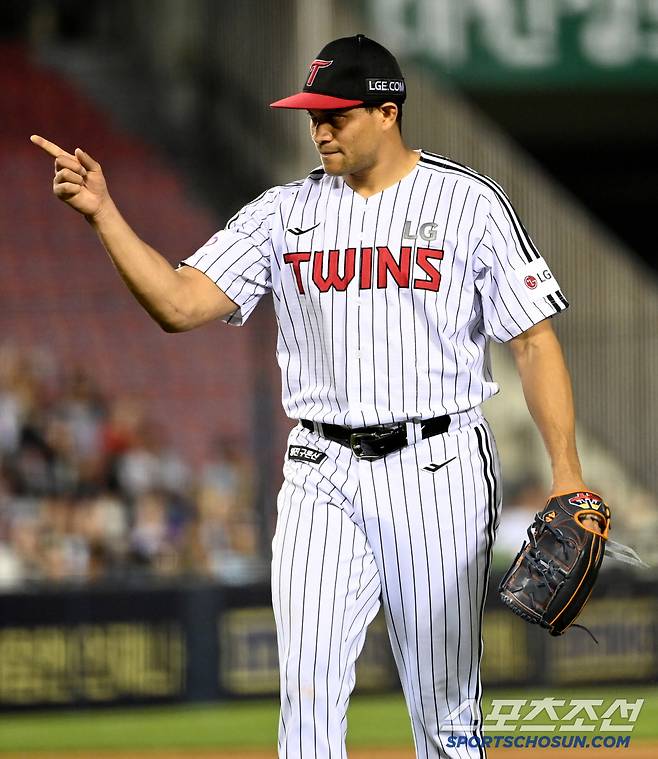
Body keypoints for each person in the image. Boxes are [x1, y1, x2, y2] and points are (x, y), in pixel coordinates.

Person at [32, 33, 598, 759]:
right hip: (319, 469)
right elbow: (177, 302)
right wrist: (104, 213)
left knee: (444, 705)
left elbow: (533, 341)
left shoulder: (468, 203)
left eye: (337, 115)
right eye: (312, 116)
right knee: (304, 691)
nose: (319, 129)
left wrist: (567, 474)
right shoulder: (283, 212)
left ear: (388, 112)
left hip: (438, 466)